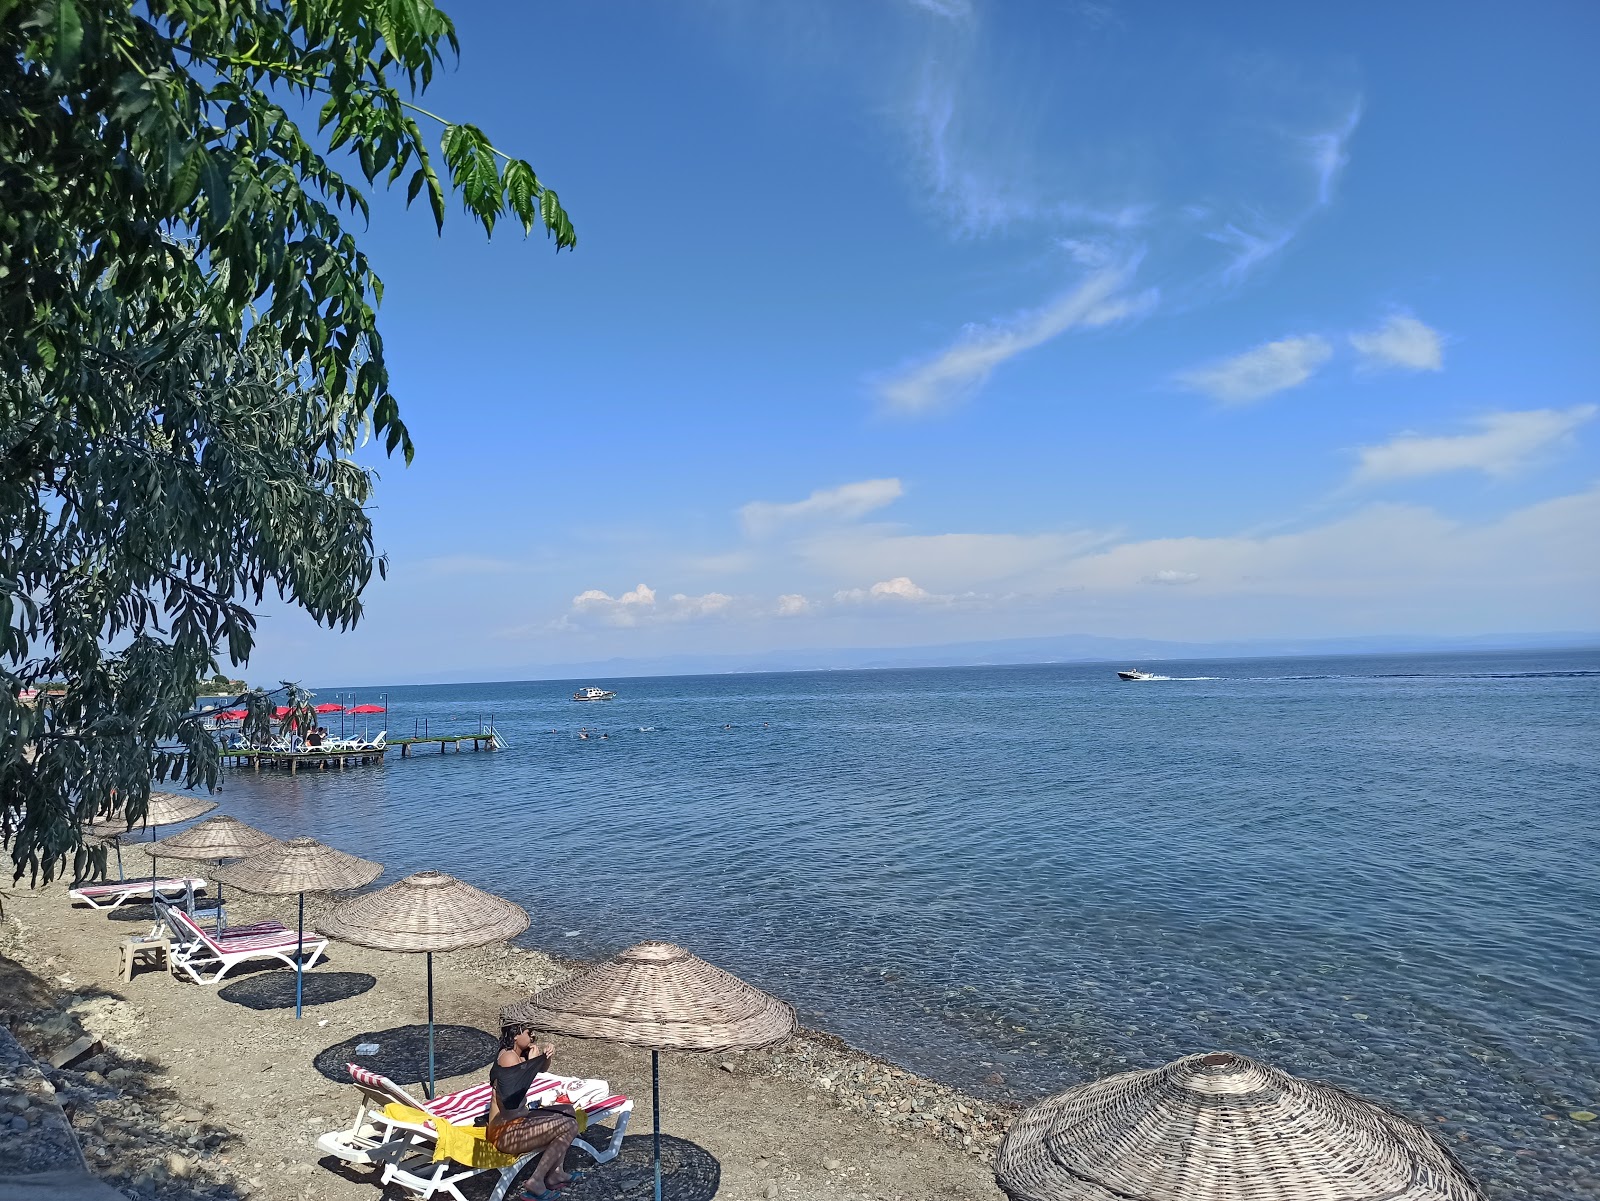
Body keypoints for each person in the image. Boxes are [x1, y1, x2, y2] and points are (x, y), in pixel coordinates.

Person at [486, 1027, 577, 1196]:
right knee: (568, 1125)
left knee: (568, 1111)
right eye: (528, 1033)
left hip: (520, 1120)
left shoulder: (519, 1053)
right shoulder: (507, 1057)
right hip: (505, 1132)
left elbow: (541, 1069)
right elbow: (512, 1097)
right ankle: (537, 1179)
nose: (533, 1036)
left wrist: (545, 1058)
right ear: (515, 1035)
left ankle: (556, 1173)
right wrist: (530, 1064)